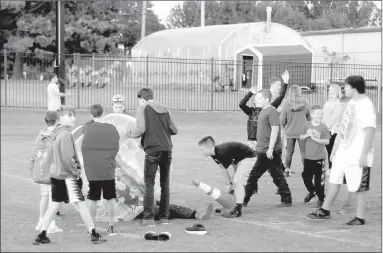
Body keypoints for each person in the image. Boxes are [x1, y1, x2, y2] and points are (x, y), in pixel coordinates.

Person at [307, 76, 376, 226]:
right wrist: (336, 149)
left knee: (358, 185)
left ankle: (360, 217)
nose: (344, 90)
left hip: (357, 152)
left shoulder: (365, 105)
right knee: (334, 178)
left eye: (346, 87)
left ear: (354, 88)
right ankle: (325, 210)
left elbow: (370, 130)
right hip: (343, 150)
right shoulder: (351, 103)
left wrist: (364, 153)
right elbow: (344, 127)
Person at [33, 106, 106, 245]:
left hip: (56, 174)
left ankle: (42, 234)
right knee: (81, 205)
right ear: (60, 118)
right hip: (66, 175)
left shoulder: (56, 132)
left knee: (54, 205)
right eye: (69, 115)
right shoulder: (65, 134)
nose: (73, 118)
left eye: (73, 115)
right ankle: (94, 234)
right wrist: (76, 173)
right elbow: (67, 158)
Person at [126, 88, 178, 226]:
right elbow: (174, 130)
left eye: (139, 101)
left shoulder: (143, 108)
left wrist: (129, 132)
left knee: (149, 183)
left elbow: (141, 129)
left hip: (152, 149)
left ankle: (148, 218)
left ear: (142, 99)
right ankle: (164, 217)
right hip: (167, 149)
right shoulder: (165, 109)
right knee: (165, 184)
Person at [239, 70, 289, 192]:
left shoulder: (269, 110)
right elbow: (241, 104)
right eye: (255, 99)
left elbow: (280, 97)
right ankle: (253, 187)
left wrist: (285, 83)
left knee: (273, 167)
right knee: (251, 166)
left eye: (259, 98)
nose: (256, 100)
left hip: (265, 143)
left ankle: (282, 187)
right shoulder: (250, 111)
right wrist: (250, 93)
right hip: (252, 142)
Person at [243, 90, 292, 207]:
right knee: (275, 175)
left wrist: (270, 148)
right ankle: (286, 198)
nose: (256, 100)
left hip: (270, 151)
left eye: (259, 98)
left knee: (257, 176)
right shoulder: (261, 111)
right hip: (262, 150)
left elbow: (275, 129)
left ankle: (244, 200)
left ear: (266, 99)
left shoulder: (272, 111)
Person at [81, 104, 120, 234]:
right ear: (103, 113)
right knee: (110, 197)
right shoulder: (111, 128)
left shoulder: (87, 127)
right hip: (107, 167)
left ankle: (91, 225)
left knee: (93, 198)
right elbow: (116, 144)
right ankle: (112, 223)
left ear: (91, 115)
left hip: (93, 169)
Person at [198, 136, 258, 218]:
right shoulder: (213, 154)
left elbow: (230, 171)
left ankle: (238, 209)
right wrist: (228, 183)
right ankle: (230, 206)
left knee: (237, 182)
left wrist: (232, 183)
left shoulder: (221, 153)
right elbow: (222, 168)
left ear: (210, 148)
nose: (201, 152)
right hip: (237, 160)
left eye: (202, 150)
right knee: (233, 184)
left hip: (248, 158)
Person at [34, 111, 63, 234]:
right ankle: (51, 224)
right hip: (53, 170)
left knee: (44, 196)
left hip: (42, 169)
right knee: (53, 198)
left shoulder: (41, 133)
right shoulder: (57, 134)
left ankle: (41, 221)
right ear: (57, 121)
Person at [299, 105, 330, 207]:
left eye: (321, 114)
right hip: (308, 158)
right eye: (318, 113)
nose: (320, 115)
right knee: (306, 177)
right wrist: (307, 135)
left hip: (319, 158)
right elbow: (301, 137)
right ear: (312, 115)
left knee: (319, 180)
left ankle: (321, 198)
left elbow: (327, 141)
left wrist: (316, 139)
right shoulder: (306, 125)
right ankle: (312, 191)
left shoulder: (323, 127)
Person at [280, 85, 311, 177]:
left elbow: (282, 119)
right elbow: (309, 116)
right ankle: (307, 170)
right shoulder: (304, 103)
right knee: (303, 151)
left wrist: (285, 127)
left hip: (290, 131)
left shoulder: (286, 104)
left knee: (289, 151)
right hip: (302, 132)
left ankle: (287, 169)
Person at [322, 83, 346, 169]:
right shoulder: (328, 102)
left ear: (336, 91)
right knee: (326, 150)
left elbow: (335, 118)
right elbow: (324, 115)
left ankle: (332, 168)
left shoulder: (338, 103)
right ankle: (328, 167)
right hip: (326, 129)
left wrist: (327, 127)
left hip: (333, 130)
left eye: (331, 90)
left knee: (331, 150)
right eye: (329, 90)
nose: (329, 91)